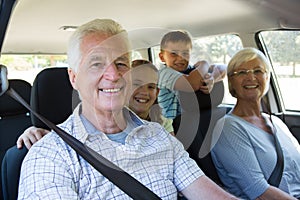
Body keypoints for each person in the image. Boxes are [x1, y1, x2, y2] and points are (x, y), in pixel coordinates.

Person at [17, 18, 237, 199]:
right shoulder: (50, 156)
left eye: (121, 63)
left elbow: (211, 195)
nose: (113, 75)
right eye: (96, 63)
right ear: (74, 78)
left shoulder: (160, 136)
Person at [16, 59, 174, 150]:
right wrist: (33, 131)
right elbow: (76, 135)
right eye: (136, 84)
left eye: (151, 86)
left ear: (158, 92)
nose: (144, 92)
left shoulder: (161, 122)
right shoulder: (108, 119)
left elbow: (173, 151)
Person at [211, 47, 300, 200]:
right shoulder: (227, 128)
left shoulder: (277, 122)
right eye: (241, 72)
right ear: (231, 81)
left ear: (267, 78)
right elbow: (260, 193)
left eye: (258, 71)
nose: (250, 77)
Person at [157, 30, 227, 119]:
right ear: (162, 57)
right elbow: (191, 84)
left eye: (185, 53)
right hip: (171, 125)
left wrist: (211, 78)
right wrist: (204, 64)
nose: (180, 58)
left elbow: (223, 69)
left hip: (189, 118)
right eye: (174, 54)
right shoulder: (164, 73)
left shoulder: (189, 69)